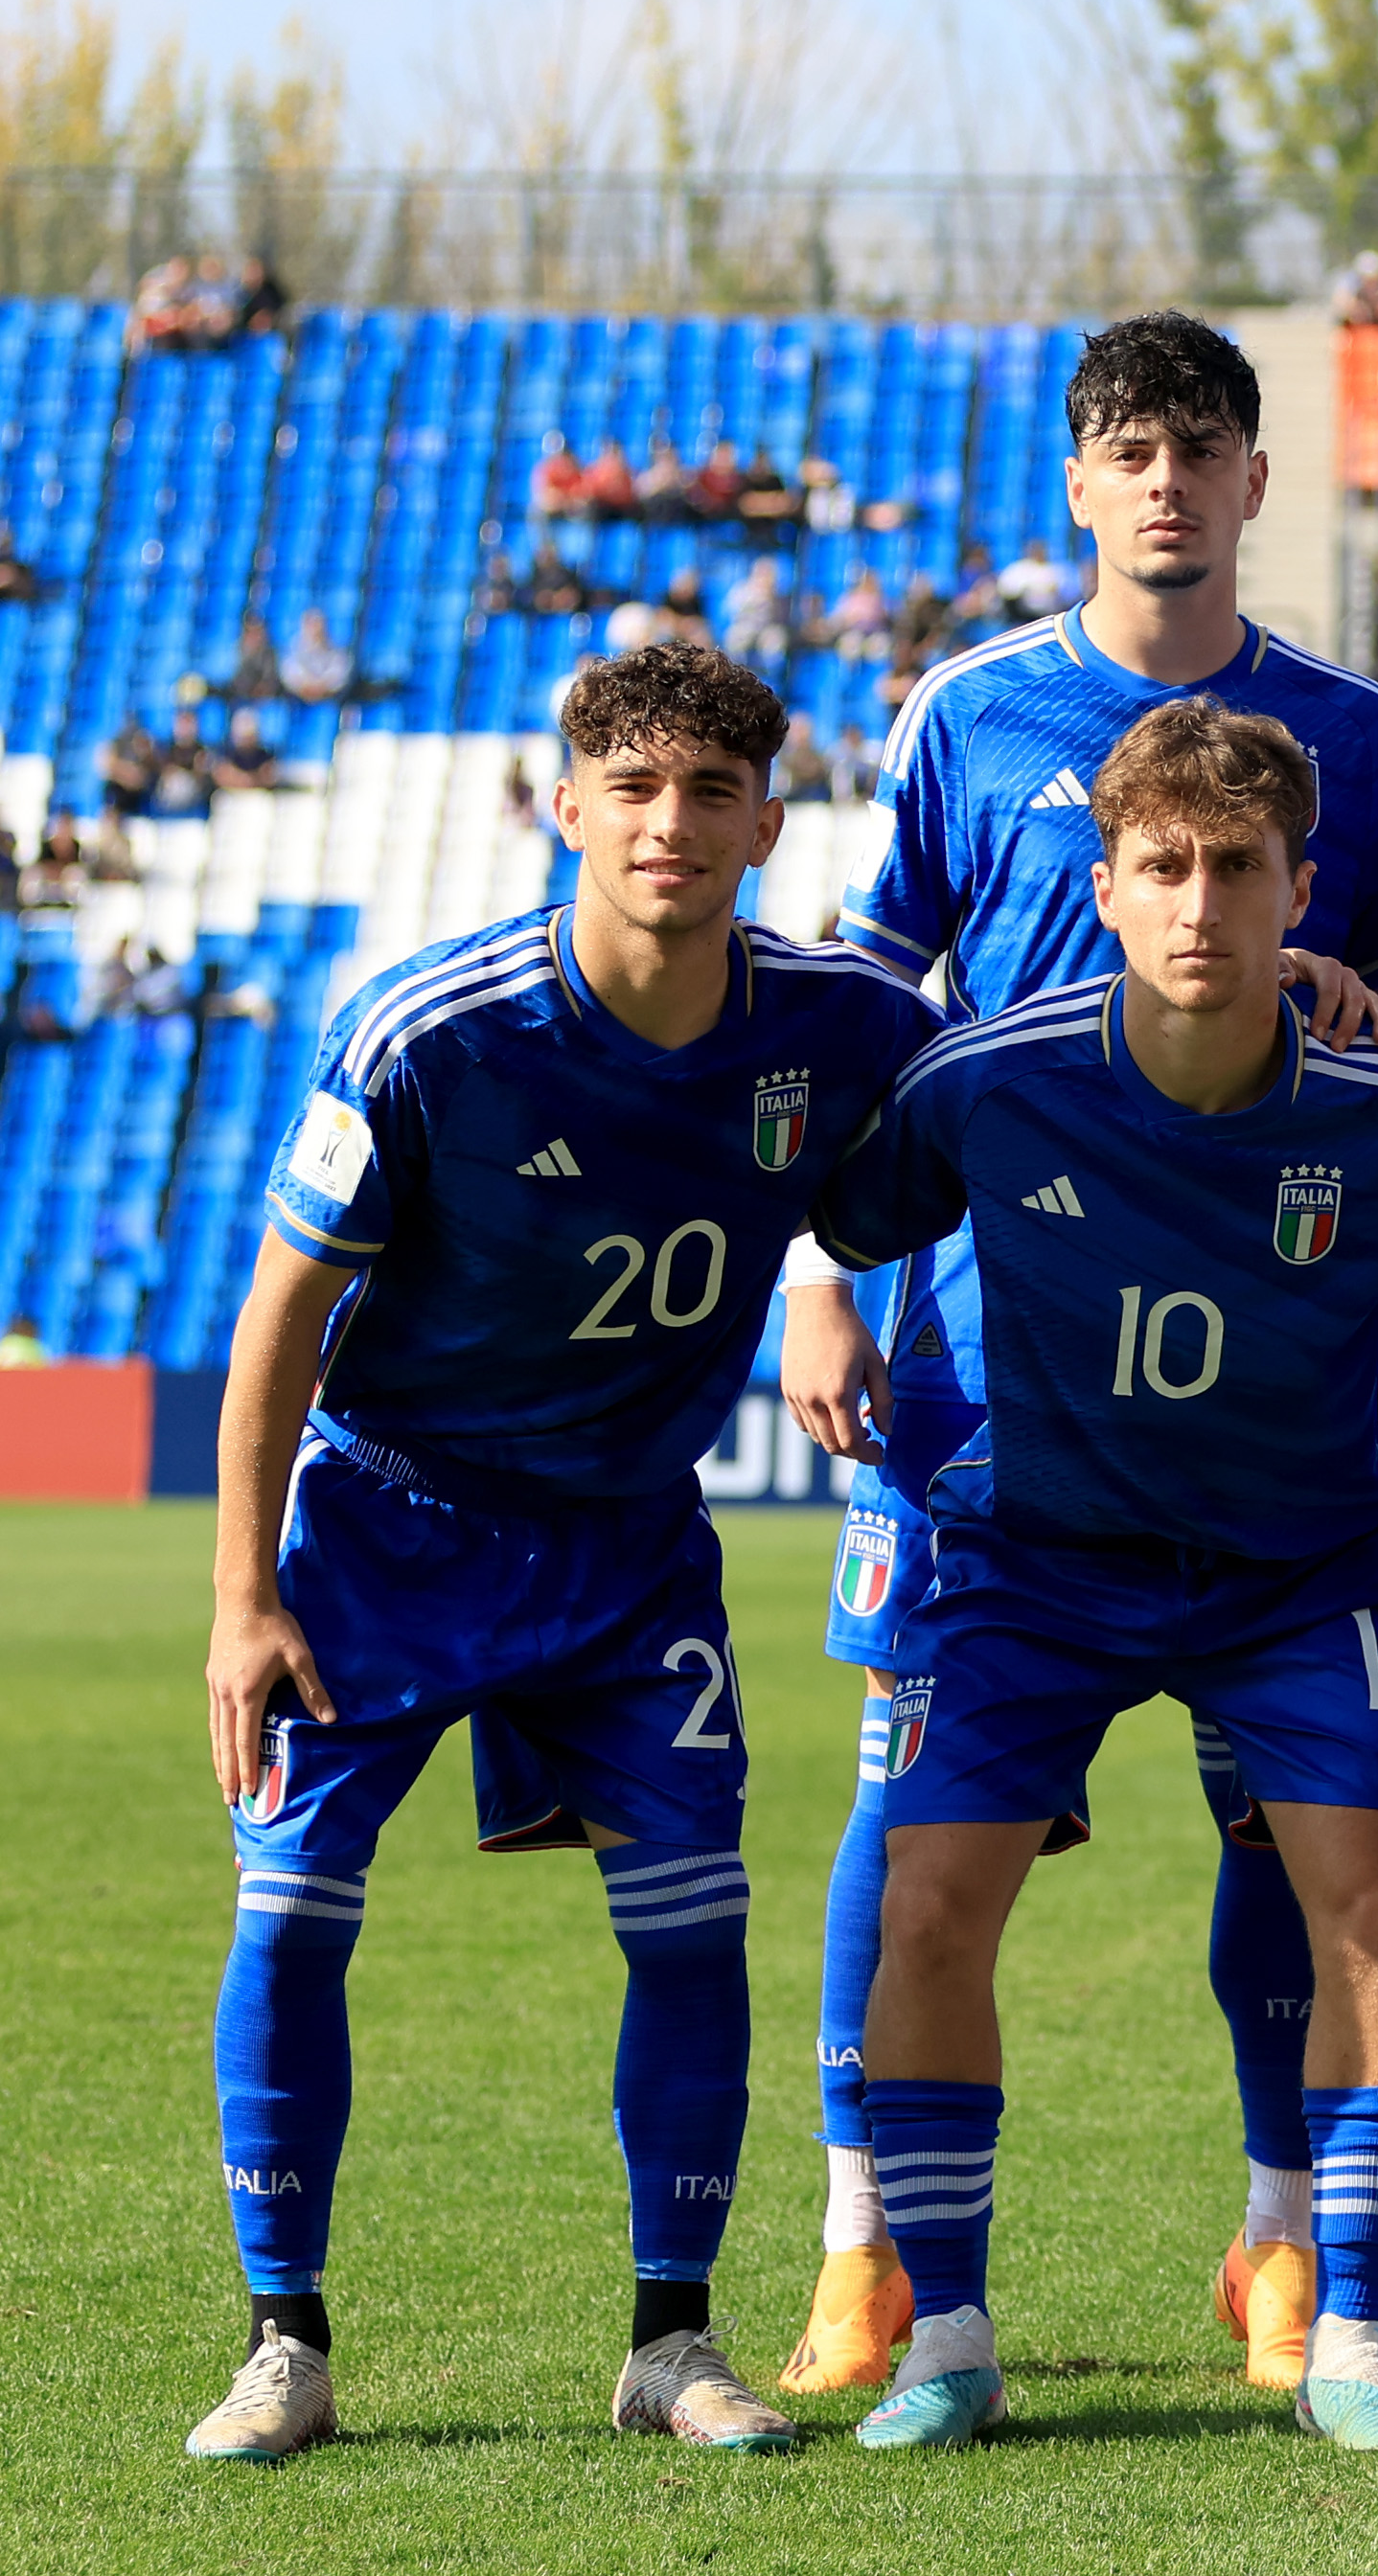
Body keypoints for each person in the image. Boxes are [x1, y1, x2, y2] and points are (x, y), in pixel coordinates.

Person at [772, 309, 1378, 2405]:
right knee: (909, 1829)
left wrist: (1360, 996)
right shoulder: (965, 713)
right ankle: (861, 2247)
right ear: (1076, 484)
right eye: (1125, 447)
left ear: (1258, 480)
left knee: (1295, 1831)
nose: (1163, 478)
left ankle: (1282, 2239)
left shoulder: (1346, 727)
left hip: (1258, 1387)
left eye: (1200, 445)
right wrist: (820, 1265)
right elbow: (862, 1006)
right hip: (980, 1389)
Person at [811, 699, 1378, 2454]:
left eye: (1235, 869)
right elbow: (829, 1199)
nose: (1199, 904)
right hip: (1033, 1560)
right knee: (931, 1904)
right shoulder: (989, 1083)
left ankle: (1349, 2332)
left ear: (1296, 890)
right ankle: (943, 2331)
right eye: (1161, 867)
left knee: (1372, 1912)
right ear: (1101, 886)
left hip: (1296, 1569)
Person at [179, 644, 938, 2465]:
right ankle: (285, 2341)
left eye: (708, 793)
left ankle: (672, 2344)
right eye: (634, 788)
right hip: (388, 1526)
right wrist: (240, 1595)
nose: (669, 825)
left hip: (629, 1552)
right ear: (566, 804)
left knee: (692, 1930)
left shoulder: (838, 1028)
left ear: (768, 819)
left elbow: (1031, 1108)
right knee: (289, 1917)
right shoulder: (431, 1032)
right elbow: (281, 1313)